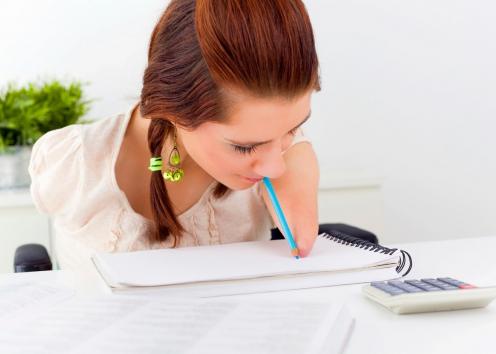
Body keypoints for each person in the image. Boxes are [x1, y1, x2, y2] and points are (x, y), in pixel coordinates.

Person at [29, 0, 321, 270]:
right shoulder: (73, 163)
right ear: (174, 109)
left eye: (292, 129)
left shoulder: (282, 154)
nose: (276, 166)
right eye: (245, 147)